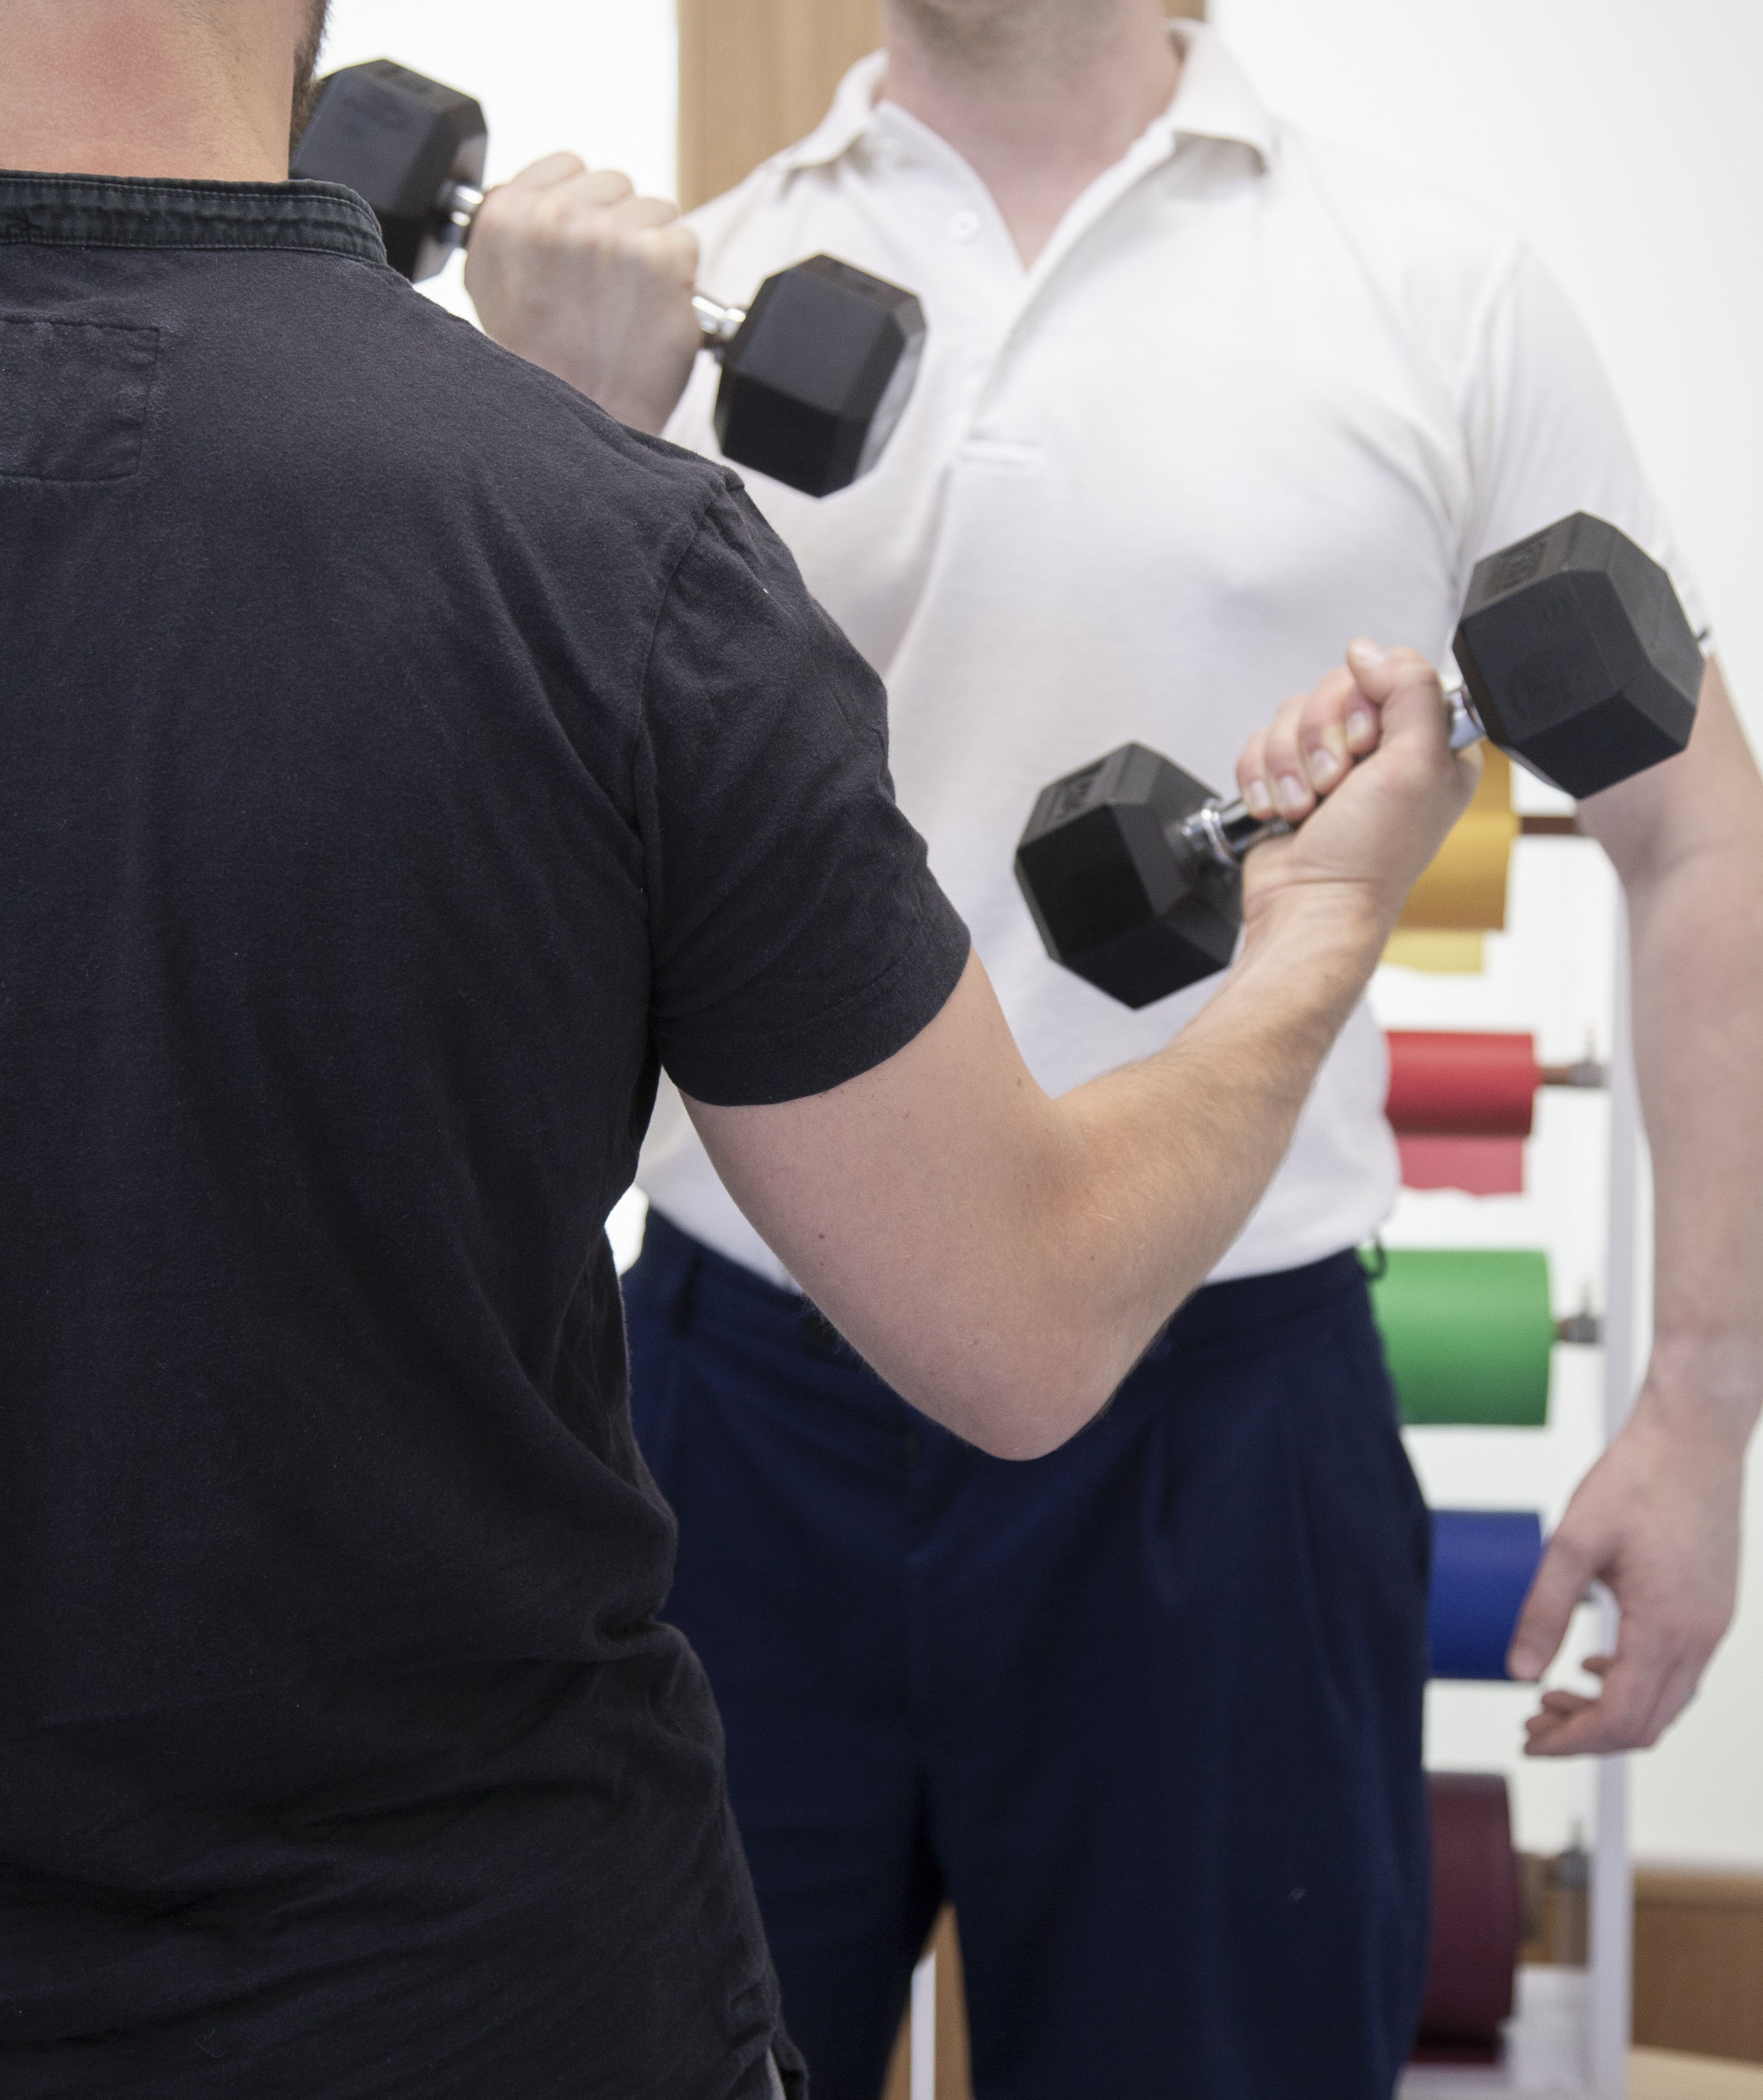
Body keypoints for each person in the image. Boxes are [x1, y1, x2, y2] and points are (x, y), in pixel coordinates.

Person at [0, 3, 1478, 2097]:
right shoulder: (601, 550)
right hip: (480, 1981)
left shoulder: (1415, 283)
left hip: (1203, 1430)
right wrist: (1319, 928)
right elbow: (1020, 1311)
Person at [467, 3, 1763, 2095]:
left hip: (1219, 1427)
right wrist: (545, 440)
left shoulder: (1434, 292)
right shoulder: (657, 306)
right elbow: (496, 887)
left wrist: (1703, 1407)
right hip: (737, 1404)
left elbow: (1697, 827)